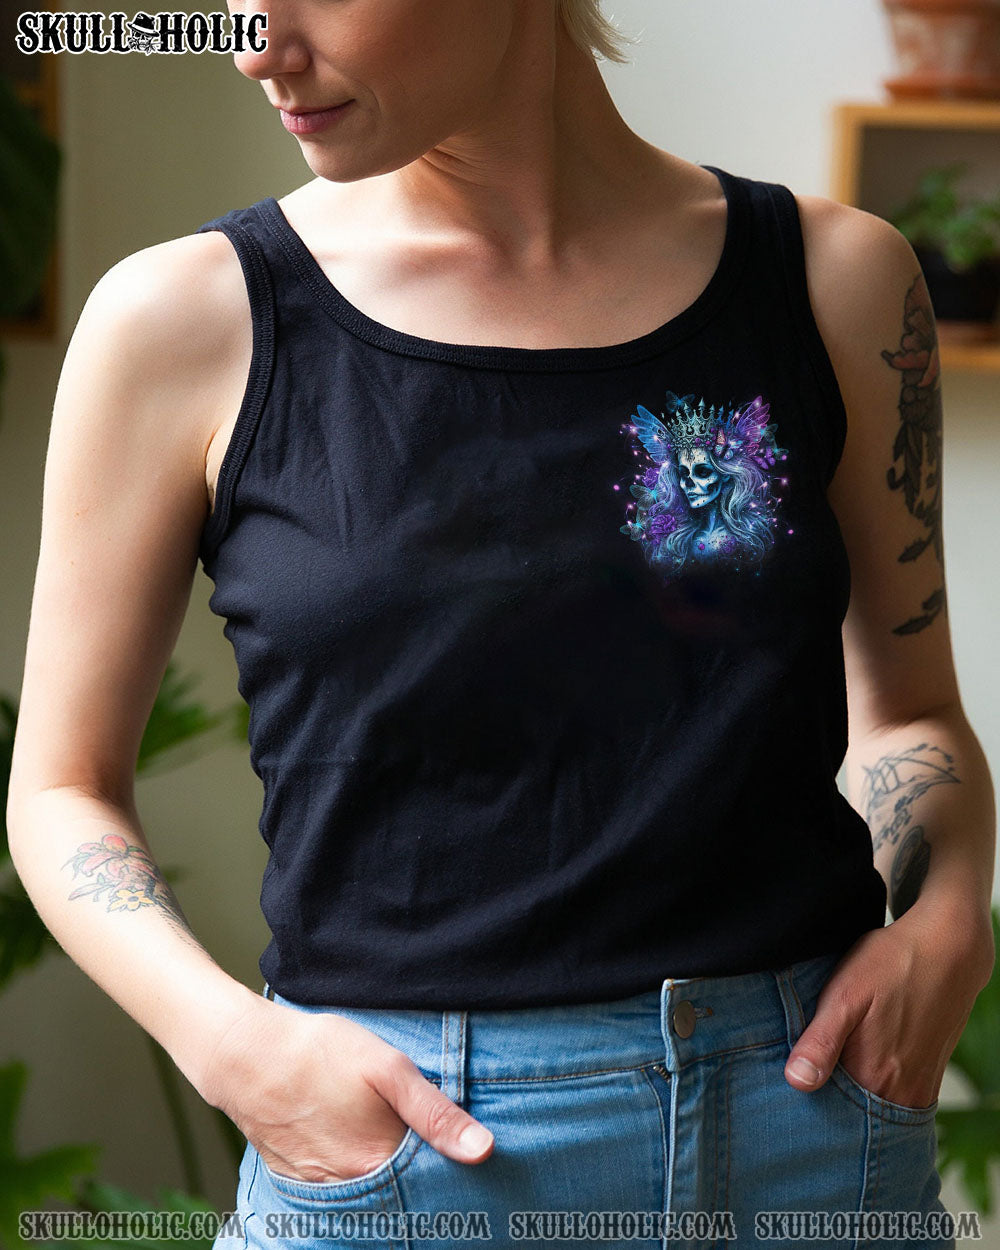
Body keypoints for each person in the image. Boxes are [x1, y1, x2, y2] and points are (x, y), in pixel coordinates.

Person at [7, 1, 996, 1246]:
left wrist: (949, 916)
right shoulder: (181, 320)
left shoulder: (834, 280)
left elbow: (909, 710)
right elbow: (62, 787)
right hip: (404, 1159)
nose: (256, 45)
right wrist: (230, 1049)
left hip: (805, 1134)